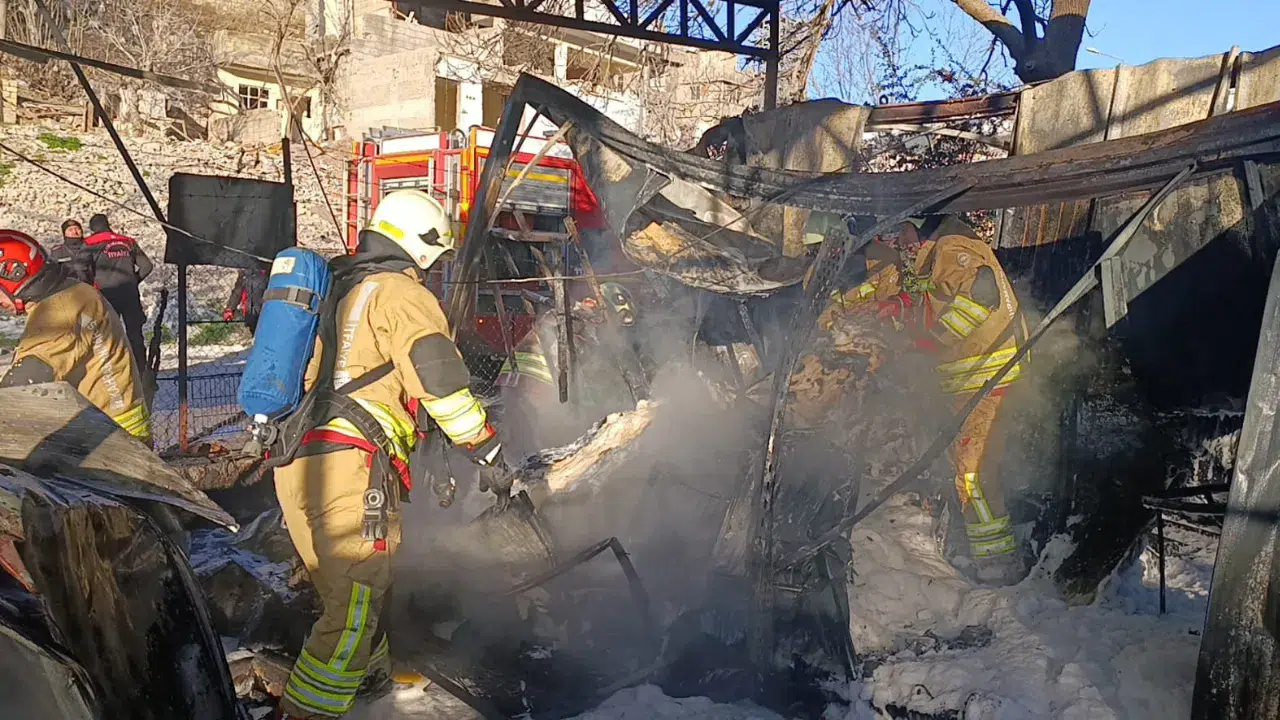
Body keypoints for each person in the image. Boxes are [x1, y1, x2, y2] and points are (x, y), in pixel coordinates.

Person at [273, 189, 510, 720]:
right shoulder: (399, 293)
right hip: (350, 467)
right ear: (422, 247)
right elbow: (439, 381)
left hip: (297, 462)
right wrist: (485, 446)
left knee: (350, 592)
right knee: (355, 603)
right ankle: (305, 713)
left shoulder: (337, 287)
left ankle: (371, 681)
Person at [806, 215, 1030, 586]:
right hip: (972, 377)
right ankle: (989, 554)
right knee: (964, 467)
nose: (899, 240)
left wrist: (931, 341)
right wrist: (899, 306)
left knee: (972, 473)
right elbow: (937, 298)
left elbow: (979, 299)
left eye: (905, 229)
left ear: (924, 223)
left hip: (986, 374)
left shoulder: (951, 246)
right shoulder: (933, 252)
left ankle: (998, 564)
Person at [0, 229, 151, 443]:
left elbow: (24, 382)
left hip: (111, 441)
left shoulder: (59, 312)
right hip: (112, 428)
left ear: (14, 274)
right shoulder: (72, 292)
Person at [82, 213, 154, 370]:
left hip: (105, 294)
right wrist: (133, 281)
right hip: (129, 294)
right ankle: (140, 369)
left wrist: (88, 288)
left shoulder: (90, 243)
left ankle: (115, 369)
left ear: (92, 228)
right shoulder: (128, 241)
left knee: (107, 334)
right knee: (135, 333)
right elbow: (147, 266)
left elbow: (80, 269)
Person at [223, 266, 269, 334]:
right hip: (252, 313)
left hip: (268, 311)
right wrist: (230, 309)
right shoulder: (246, 272)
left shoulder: (273, 269)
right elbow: (238, 290)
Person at [49, 219, 93, 283]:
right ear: (64, 233)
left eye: (77, 229)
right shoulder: (58, 252)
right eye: (70, 230)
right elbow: (53, 274)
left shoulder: (92, 247)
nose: (75, 232)